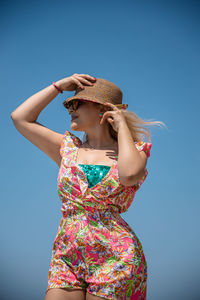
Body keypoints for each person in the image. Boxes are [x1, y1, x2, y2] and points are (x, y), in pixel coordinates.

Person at [11, 73, 163, 300]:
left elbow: (130, 175)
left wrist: (121, 128)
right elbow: (20, 118)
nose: (70, 108)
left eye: (77, 103)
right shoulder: (67, 148)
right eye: (69, 104)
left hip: (116, 255)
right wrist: (58, 86)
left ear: (104, 109)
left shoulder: (134, 150)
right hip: (67, 254)